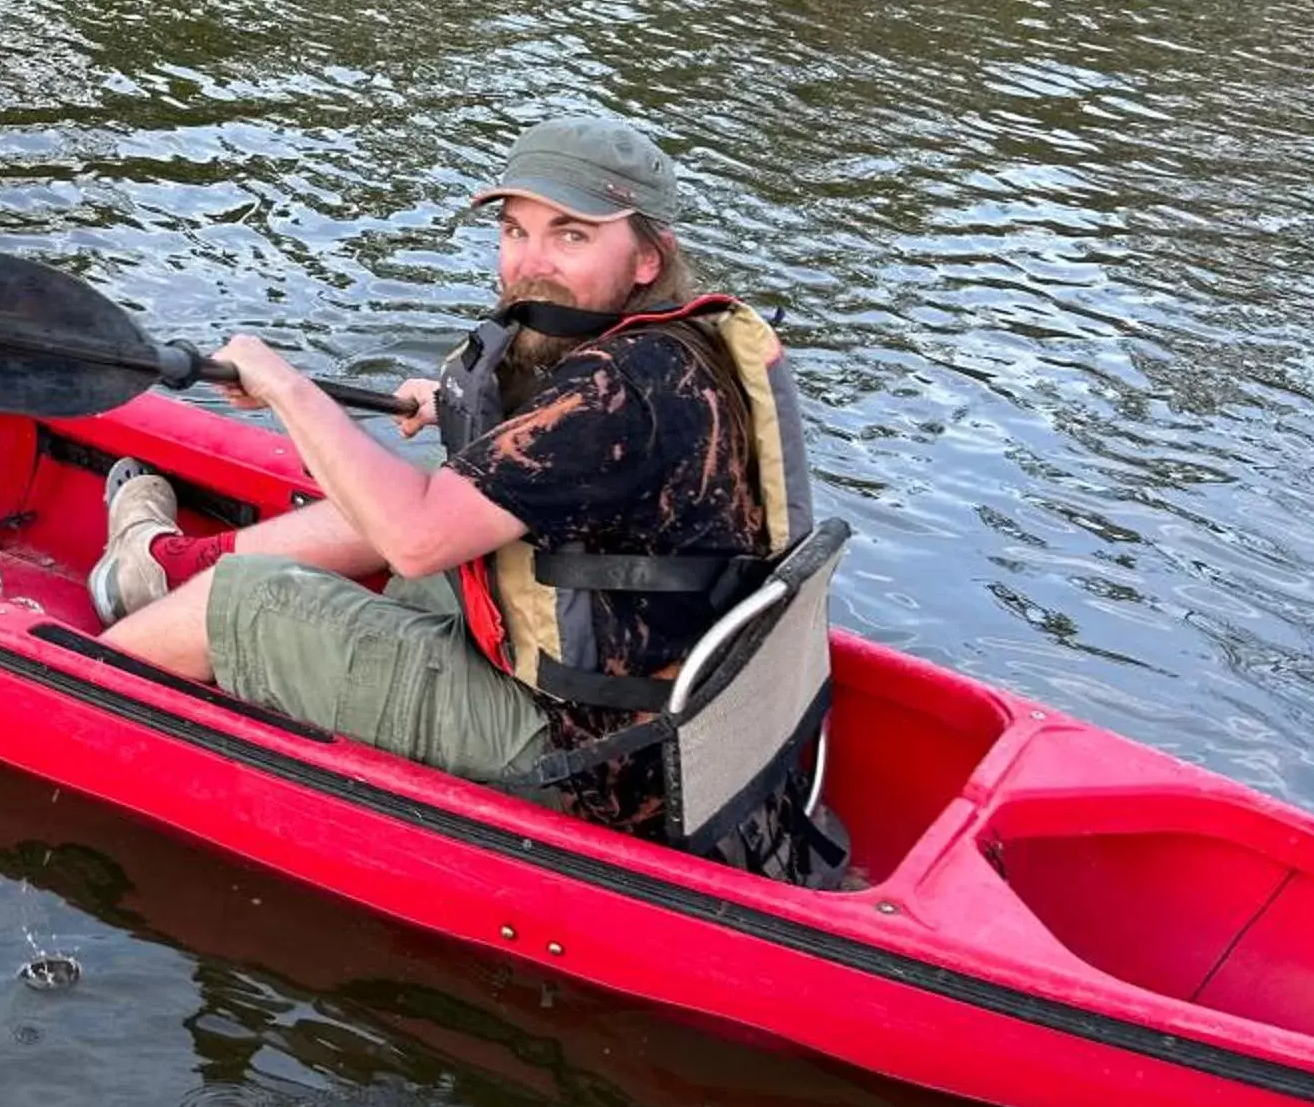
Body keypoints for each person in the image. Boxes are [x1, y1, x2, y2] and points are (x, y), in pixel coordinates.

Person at [96, 113, 822, 877]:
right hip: (675, 727)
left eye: (571, 235)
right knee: (394, 506)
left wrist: (286, 386)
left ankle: (75, 684)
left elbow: (417, 537)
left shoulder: (616, 390)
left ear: (648, 257)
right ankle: (160, 571)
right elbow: (584, 460)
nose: (530, 264)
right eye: (515, 231)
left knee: (246, 598)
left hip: (590, 762)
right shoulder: (676, 351)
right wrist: (465, 413)